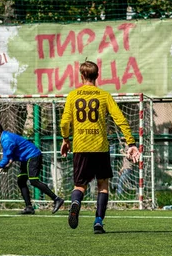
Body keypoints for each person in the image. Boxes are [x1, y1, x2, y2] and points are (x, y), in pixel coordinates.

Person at [60, 61, 140, 234]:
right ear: (97, 76)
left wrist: (66, 139)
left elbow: (65, 121)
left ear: (81, 76)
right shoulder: (104, 95)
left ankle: (76, 203)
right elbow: (120, 118)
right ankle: (98, 222)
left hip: (81, 147)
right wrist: (131, 142)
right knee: (103, 185)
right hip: (100, 147)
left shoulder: (73, 96)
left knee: (79, 185)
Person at [0, 122, 64, 215]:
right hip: (26, 158)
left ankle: (57, 199)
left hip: (32, 156)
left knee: (33, 181)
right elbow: (11, 155)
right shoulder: (4, 138)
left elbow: (5, 159)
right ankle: (29, 207)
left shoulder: (6, 139)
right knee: (21, 181)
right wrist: (8, 166)